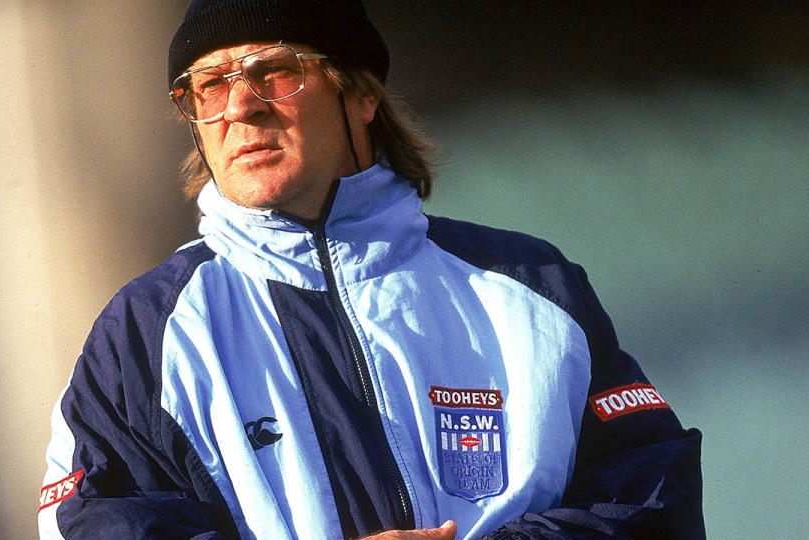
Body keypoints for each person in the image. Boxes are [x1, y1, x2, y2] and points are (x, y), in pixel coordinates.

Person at [38, 1, 705, 538]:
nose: (239, 106)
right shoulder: (143, 333)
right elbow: (93, 524)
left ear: (361, 96)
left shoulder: (531, 285)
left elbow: (654, 496)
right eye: (209, 84)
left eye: (273, 70)